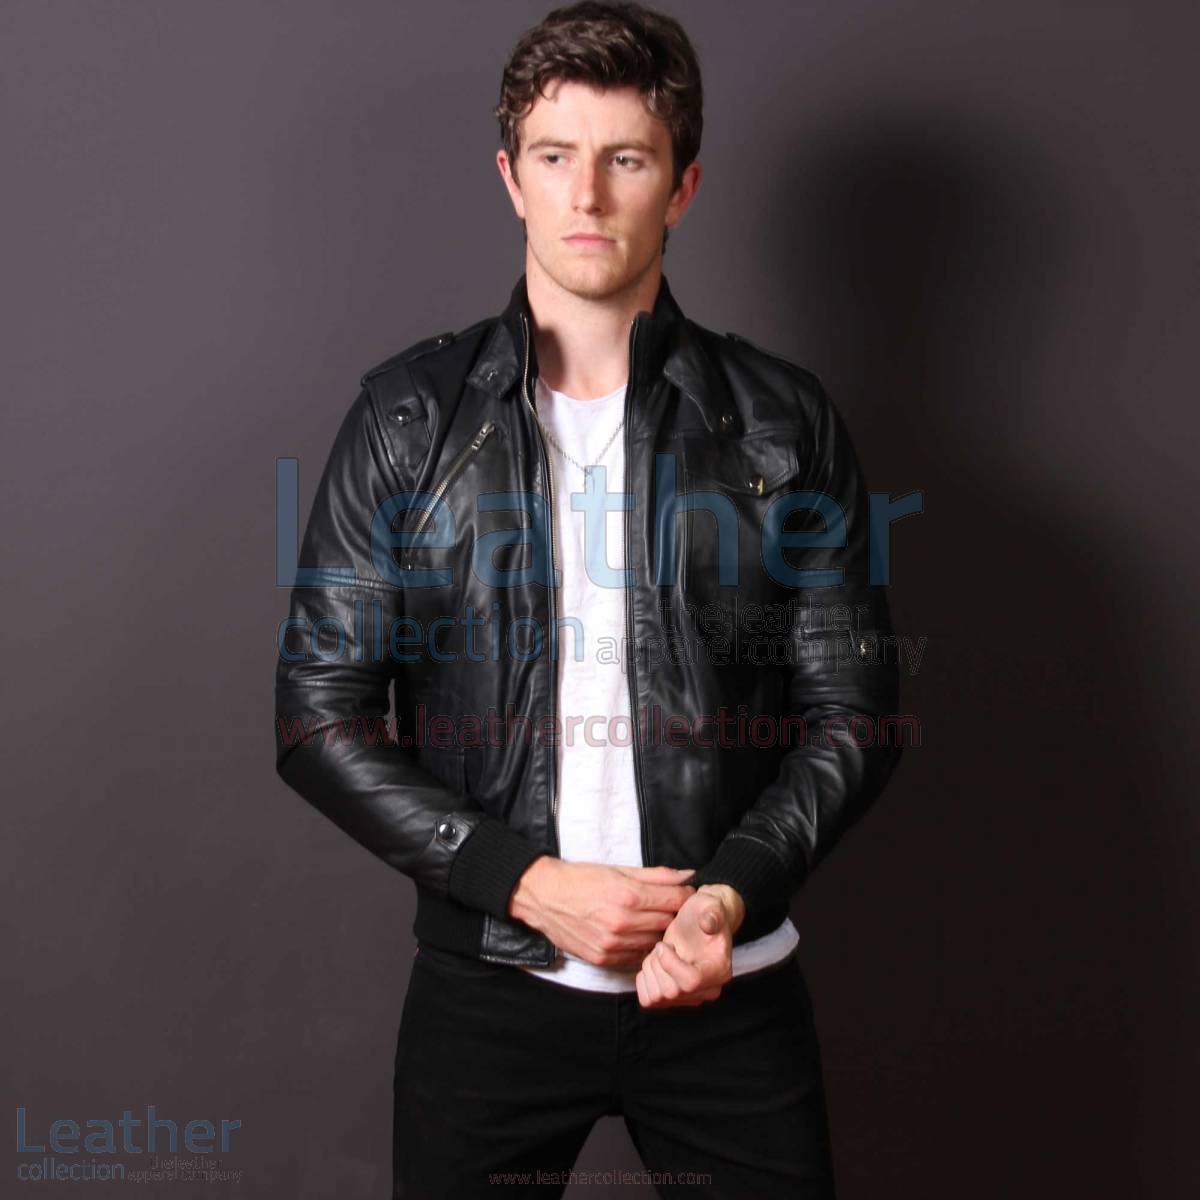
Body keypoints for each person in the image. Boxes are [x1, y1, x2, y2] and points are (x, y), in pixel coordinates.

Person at [274, 2, 903, 1195]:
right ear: (511, 178)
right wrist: (523, 883)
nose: (588, 196)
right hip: (492, 990)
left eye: (628, 159)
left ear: (683, 187)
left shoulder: (782, 422)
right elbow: (316, 714)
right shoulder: (410, 424)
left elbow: (855, 715)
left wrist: (726, 898)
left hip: (728, 983)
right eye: (557, 156)